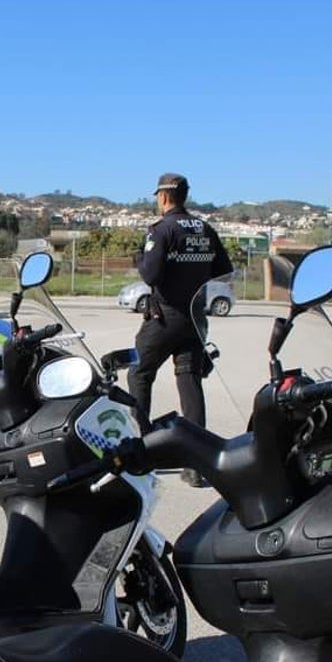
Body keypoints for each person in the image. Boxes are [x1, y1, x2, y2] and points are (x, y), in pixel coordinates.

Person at [128, 173, 233, 487]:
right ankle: (196, 465)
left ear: (162, 197)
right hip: (195, 319)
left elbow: (150, 273)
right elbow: (223, 269)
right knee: (189, 382)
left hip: (164, 318)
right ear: (184, 196)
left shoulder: (162, 230)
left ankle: (142, 453)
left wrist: (140, 258)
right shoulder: (204, 228)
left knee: (139, 374)